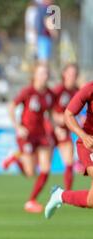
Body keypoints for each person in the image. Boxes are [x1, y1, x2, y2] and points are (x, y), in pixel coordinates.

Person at [8, 63, 55, 213]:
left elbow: (51, 113)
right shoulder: (27, 91)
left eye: (46, 73)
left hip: (41, 135)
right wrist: (18, 127)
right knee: (30, 173)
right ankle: (16, 159)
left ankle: (31, 201)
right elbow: (11, 107)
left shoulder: (49, 94)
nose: (44, 76)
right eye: (41, 73)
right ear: (34, 75)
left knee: (46, 169)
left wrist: (53, 130)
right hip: (27, 135)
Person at [45, 80, 93, 218]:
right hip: (89, 144)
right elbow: (68, 114)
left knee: (91, 201)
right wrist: (84, 136)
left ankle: (60, 195)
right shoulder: (89, 88)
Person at [45, 63, 80, 191]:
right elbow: (48, 110)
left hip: (64, 131)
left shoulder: (77, 91)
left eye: (75, 74)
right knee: (44, 167)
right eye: (70, 73)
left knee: (69, 163)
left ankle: (68, 194)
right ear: (64, 74)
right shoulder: (58, 91)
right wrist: (56, 126)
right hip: (51, 130)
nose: (72, 76)